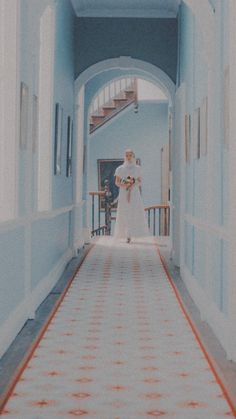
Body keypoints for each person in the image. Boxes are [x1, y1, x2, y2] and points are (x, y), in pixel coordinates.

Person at [113, 149, 149, 243]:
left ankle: (132, 234)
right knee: (125, 211)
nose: (128, 157)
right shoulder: (120, 169)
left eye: (130, 155)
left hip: (134, 193)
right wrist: (126, 185)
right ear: (125, 157)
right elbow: (117, 182)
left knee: (134, 211)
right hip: (124, 192)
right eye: (127, 155)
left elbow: (140, 181)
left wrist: (132, 184)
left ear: (133, 156)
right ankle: (126, 235)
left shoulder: (138, 168)